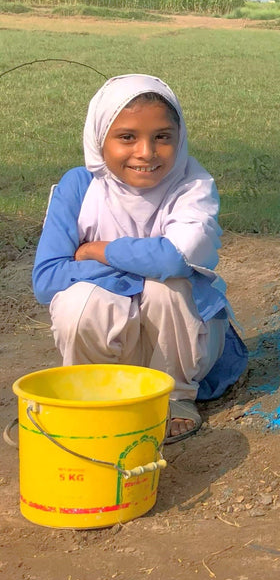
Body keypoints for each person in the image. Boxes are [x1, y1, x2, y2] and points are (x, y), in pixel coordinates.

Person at [32, 74, 248, 444]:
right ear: (99, 139)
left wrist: (99, 251)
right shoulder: (80, 187)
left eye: (162, 137)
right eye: (127, 137)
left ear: (179, 140)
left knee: (169, 288)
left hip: (182, 345)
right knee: (78, 303)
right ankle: (98, 394)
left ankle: (174, 396)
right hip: (115, 339)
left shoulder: (192, 185)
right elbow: (48, 279)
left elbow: (177, 258)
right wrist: (139, 271)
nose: (146, 152)